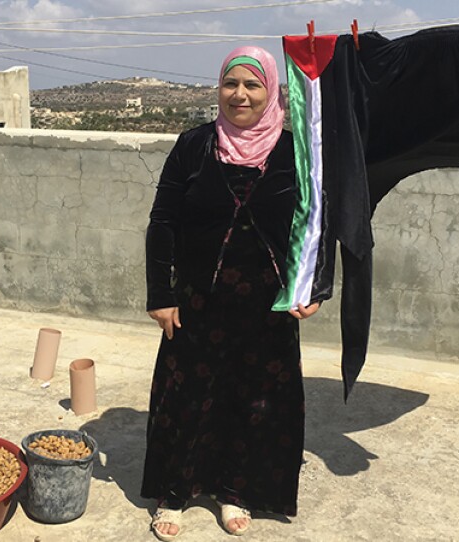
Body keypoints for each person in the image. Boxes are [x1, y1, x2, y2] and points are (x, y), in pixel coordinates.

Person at [142, 46, 320, 541]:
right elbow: (163, 223)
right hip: (197, 303)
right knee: (187, 399)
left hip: (267, 307)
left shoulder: (293, 152)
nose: (239, 95)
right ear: (218, 88)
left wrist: (312, 287)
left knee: (254, 401)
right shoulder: (194, 145)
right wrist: (161, 293)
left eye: (252, 85)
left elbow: (314, 228)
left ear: (271, 92)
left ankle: (234, 491)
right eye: (230, 84)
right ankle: (174, 493)